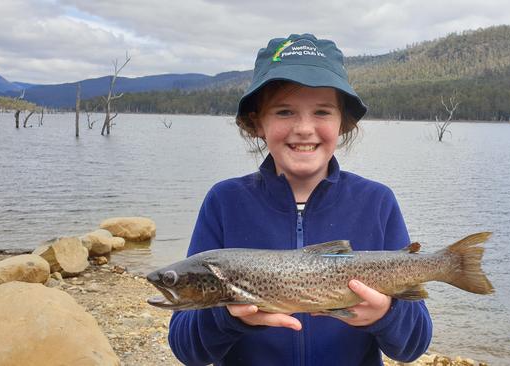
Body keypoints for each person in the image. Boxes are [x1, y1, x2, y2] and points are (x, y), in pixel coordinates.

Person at [167, 33, 432, 366]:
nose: (304, 128)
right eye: (284, 112)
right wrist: (229, 318)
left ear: (342, 124)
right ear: (257, 123)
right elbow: (186, 350)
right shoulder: (224, 202)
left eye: (322, 112)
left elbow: (412, 347)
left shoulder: (377, 202)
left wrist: (386, 314)